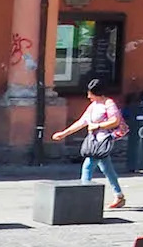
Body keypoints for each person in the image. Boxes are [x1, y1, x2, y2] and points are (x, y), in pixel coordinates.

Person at [53, 76, 130, 209]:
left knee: (88, 166)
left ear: (98, 93)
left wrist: (98, 126)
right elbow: (82, 122)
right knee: (107, 168)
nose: (88, 96)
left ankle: (83, 196)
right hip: (95, 141)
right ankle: (119, 195)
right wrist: (64, 133)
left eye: (91, 93)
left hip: (103, 140)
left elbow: (115, 121)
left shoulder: (109, 104)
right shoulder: (93, 106)